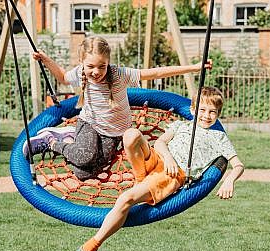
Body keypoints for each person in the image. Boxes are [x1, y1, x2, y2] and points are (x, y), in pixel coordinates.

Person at [58, 86, 245, 251]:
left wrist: (229, 180)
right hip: (157, 157)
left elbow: (238, 165)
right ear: (193, 110)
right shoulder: (181, 125)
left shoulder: (218, 137)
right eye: (202, 110)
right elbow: (161, 142)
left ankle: (89, 249)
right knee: (131, 134)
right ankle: (141, 179)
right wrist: (168, 158)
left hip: (170, 175)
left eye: (212, 112)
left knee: (125, 199)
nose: (206, 115)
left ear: (218, 114)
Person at [23, 36, 212, 180]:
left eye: (101, 66)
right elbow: (63, 78)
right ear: (82, 63)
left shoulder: (119, 75)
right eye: (90, 66)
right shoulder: (80, 73)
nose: (96, 72)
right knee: (84, 156)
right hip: (89, 123)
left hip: (113, 133)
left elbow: (156, 72)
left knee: (83, 173)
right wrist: (46, 60)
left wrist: (194, 68)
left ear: (108, 63)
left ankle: (72, 139)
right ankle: (52, 141)